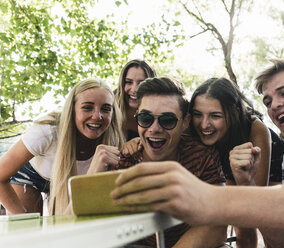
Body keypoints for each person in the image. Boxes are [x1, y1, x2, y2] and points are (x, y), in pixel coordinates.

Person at [110, 59, 284, 247]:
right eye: (267, 100)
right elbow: (282, 243)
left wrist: (210, 199)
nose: (275, 104)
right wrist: (245, 183)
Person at [117, 77, 227, 248]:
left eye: (167, 120)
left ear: (185, 123)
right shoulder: (125, 161)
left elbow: (218, 224)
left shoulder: (202, 157)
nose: (154, 128)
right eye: (146, 118)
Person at [0, 79, 124, 215]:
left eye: (106, 109)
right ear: (72, 110)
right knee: (27, 230)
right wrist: (22, 218)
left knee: (62, 229)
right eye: (87, 107)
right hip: (31, 175)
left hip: (66, 179)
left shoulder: (112, 139)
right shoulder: (47, 132)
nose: (97, 116)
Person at [189, 77, 284, 247]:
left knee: (258, 220)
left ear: (234, 112)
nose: (204, 124)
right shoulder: (190, 128)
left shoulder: (256, 129)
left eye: (215, 116)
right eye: (198, 114)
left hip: (271, 170)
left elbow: (255, 197)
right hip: (229, 169)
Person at [115, 59, 156, 140]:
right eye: (129, 82)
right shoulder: (111, 108)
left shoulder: (161, 111)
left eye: (141, 83)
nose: (134, 89)